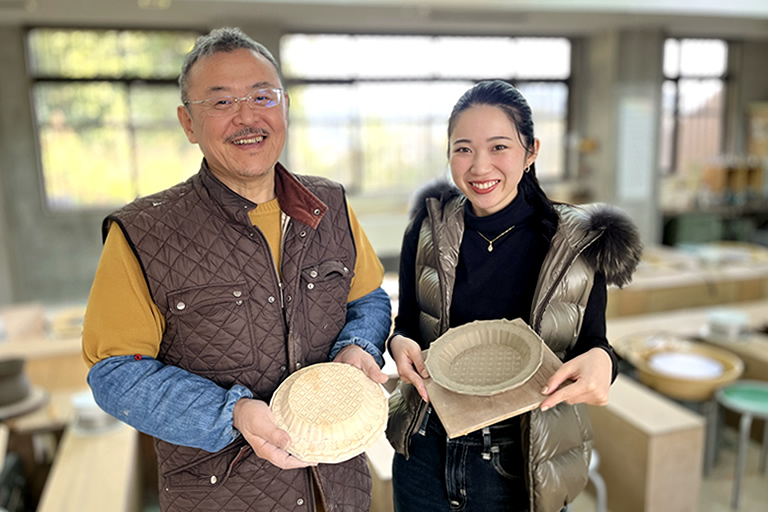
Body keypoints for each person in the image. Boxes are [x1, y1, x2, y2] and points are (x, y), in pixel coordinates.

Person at [82, 27, 392, 512]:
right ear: (188, 123)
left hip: (339, 490)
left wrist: (359, 346)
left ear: (284, 107)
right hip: (221, 496)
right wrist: (232, 413)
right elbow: (115, 373)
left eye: (262, 96)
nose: (247, 117)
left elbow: (368, 298)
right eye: (222, 102)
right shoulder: (144, 232)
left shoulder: (329, 203)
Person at [386, 80, 642, 512]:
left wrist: (605, 364)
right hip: (425, 449)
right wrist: (399, 343)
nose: (480, 166)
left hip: (519, 460)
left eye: (499, 147)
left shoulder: (576, 241)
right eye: (463, 148)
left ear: (532, 151)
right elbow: (408, 323)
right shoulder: (427, 229)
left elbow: (593, 345)